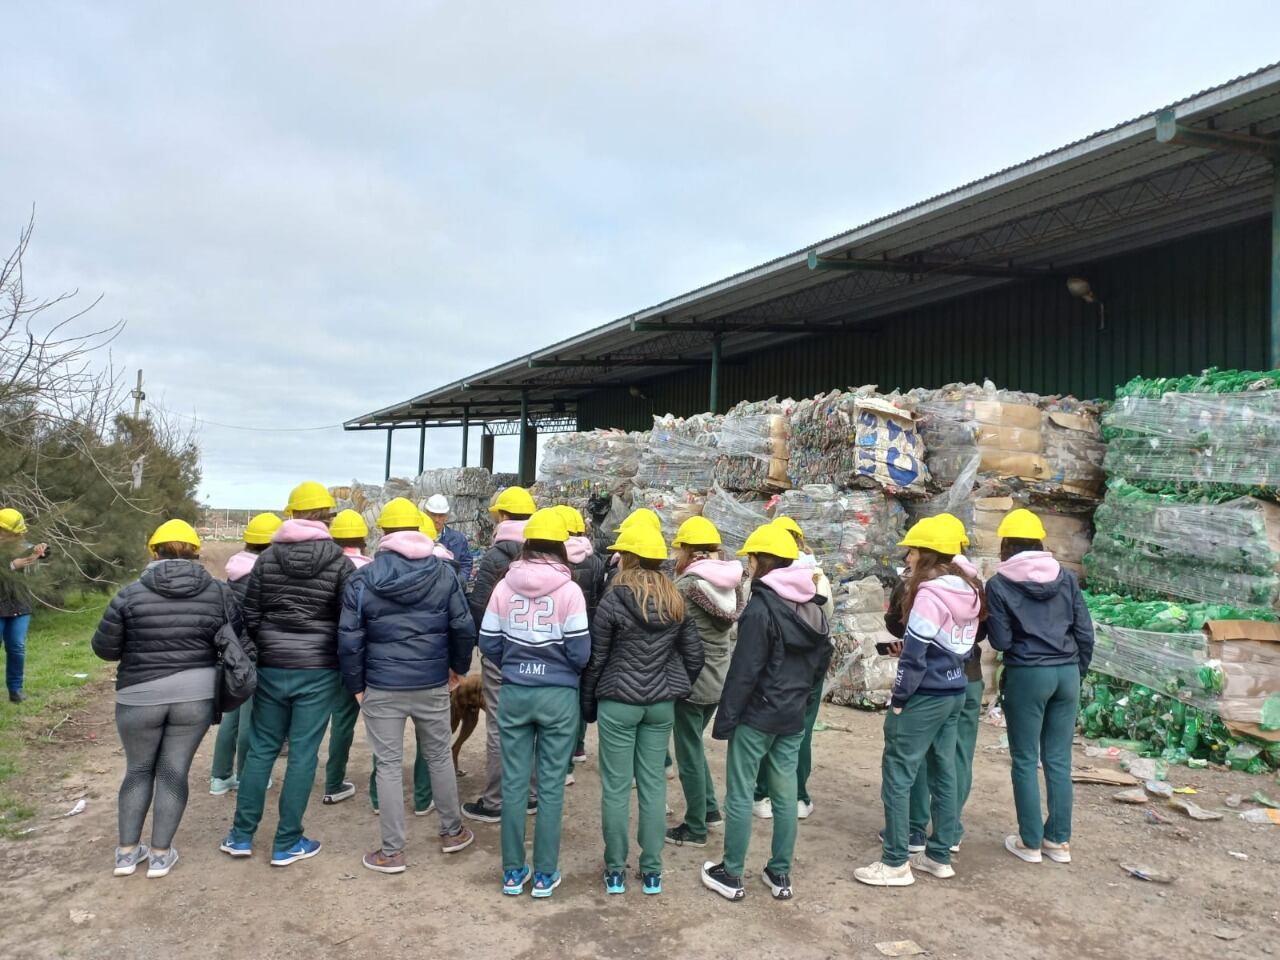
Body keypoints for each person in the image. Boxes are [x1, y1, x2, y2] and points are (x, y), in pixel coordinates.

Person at [93, 519, 243, 879]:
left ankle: (126, 854)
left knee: (138, 770)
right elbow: (235, 641)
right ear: (195, 552)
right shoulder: (220, 592)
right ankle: (160, 855)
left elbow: (106, 649)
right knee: (174, 771)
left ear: (153, 551)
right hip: (195, 695)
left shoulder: (128, 594)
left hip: (138, 695)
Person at [338, 499, 478, 874]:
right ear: (419, 529)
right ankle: (452, 832)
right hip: (432, 681)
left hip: (381, 685)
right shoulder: (444, 573)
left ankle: (392, 852)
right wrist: (457, 670)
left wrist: (356, 684)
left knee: (387, 764)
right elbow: (463, 627)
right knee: (437, 756)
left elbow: (349, 637)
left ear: (381, 532)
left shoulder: (363, 578)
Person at [221, 481, 351, 867]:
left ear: (292, 513)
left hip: (273, 667)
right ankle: (287, 841)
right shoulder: (340, 562)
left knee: (262, 748)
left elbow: (253, 614)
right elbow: (347, 618)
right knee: (304, 753)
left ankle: (241, 836)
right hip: (319, 669)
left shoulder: (268, 559)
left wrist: (268, 647)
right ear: (326, 516)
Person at [702, 523, 832, 903]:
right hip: (791, 716)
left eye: (751, 558)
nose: (749, 564)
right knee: (785, 794)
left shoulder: (760, 608)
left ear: (761, 561)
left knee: (740, 794)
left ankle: (731, 871)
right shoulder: (814, 607)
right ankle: (779, 871)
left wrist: (725, 721)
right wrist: (803, 702)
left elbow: (744, 673)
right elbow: (821, 663)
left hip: (757, 716)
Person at [855, 516, 983, 888]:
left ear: (926, 554)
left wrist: (899, 698)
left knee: (897, 772)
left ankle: (895, 860)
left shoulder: (928, 593)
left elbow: (914, 654)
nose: (908, 558)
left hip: (924, 693)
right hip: (955, 687)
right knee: (944, 770)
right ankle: (939, 854)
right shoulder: (970, 589)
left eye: (911, 550)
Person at [581, 523, 703, 897]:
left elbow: (597, 656)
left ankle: (615, 870)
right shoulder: (675, 599)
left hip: (618, 701)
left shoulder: (614, 598)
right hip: (659, 704)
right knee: (652, 786)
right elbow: (694, 655)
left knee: (616, 788)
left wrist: (588, 703)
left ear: (629, 558)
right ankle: (652, 872)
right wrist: (675, 684)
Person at [478, 508, 590, 898]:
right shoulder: (570, 590)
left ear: (526, 545)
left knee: (513, 783)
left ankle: (512, 872)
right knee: (551, 786)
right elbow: (580, 651)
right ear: (561, 546)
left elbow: (488, 641)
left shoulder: (504, 587)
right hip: (558, 696)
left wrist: (515, 661)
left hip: (514, 692)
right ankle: (544, 874)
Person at [985, 508, 1094, 866]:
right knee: (1059, 760)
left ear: (1006, 545)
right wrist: (1077, 669)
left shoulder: (999, 585)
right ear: (1039, 542)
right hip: (1067, 673)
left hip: (1028, 674)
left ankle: (1030, 842)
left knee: (1025, 759)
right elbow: (1084, 632)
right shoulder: (1065, 578)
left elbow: (1000, 641)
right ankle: (1059, 841)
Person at [665, 516, 743, 848]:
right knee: (695, 747)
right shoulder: (731, 584)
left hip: (691, 681)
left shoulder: (686, 586)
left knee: (688, 753)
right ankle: (710, 809)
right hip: (718, 679)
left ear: (688, 550)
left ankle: (695, 825)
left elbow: (669, 628)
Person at [752, 516, 834, 822]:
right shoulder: (817, 577)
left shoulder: (766, 581)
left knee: (762, 729)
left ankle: (761, 795)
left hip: (773, 667)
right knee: (800, 732)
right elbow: (825, 621)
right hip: (809, 667)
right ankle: (798, 796)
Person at [464, 485, 537, 824]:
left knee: (498, 723)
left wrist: (487, 648)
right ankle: (532, 795)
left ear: (503, 517)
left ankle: (495, 799)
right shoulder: (545, 550)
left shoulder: (495, 557)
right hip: (539, 653)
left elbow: (478, 607)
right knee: (533, 723)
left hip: (500, 654)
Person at [210, 512, 282, 796]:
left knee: (232, 716)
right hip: (256, 654)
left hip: (232, 655)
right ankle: (247, 775)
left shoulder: (233, 574)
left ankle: (220, 776)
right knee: (251, 719)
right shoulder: (263, 577)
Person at [322, 508, 374, 806]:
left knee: (329, 720)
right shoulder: (370, 570)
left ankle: (326, 782)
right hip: (361, 654)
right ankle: (345, 784)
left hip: (326, 654)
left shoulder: (323, 567)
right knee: (368, 721)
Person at [557, 504, 606, 769]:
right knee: (581, 693)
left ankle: (564, 759)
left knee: (564, 694)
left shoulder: (556, 558)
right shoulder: (595, 560)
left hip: (560, 636)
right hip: (586, 633)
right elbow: (598, 601)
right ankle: (578, 746)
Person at [0, 508, 47, 704]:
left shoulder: (22, 546)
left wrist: (41, 549)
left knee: (17, 647)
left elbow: (43, 551)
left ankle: (16, 690)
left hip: (20, 605)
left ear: (15, 533)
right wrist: (12, 565)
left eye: (3, 531)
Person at [425, 494, 473, 581]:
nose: (436, 519)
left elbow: (466, 563)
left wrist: (459, 582)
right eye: (433, 515)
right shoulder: (419, 540)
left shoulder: (458, 539)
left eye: (440, 515)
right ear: (426, 514)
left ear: (446, 516)